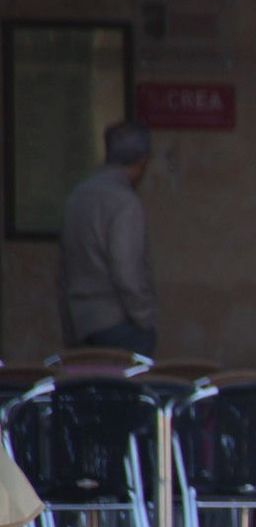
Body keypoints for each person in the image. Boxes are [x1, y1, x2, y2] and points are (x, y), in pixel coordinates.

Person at [57, 120, 158, 356]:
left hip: (80, 322)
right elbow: (127, 272)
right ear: (142, 161)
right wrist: (145, 319)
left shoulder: (78, 196)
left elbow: (63, 268)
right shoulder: (125, 203)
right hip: (119, 321)